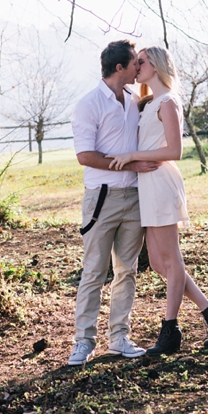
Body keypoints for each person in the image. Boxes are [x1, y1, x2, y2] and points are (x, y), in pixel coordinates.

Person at [107, 46, 208, 356]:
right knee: (158, 262)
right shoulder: (149, 102)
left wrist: (132, 155)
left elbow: (174, 150)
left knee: (172, 260)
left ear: (156, 65)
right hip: (148, 185)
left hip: (161, 183)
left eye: (141, 62)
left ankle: (170, 330)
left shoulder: (168, 102)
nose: (137, 66)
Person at [67, 40, 161, 366]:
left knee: (127, 271)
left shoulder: (136, 100)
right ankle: (83, 342)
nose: (139, 67)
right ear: (120, 67)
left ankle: (119, 338)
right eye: (135, 62)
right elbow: (85, 155)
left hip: (134, 197)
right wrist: (129, 164)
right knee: (94, 271)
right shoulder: (88, 104)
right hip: (101, 198)